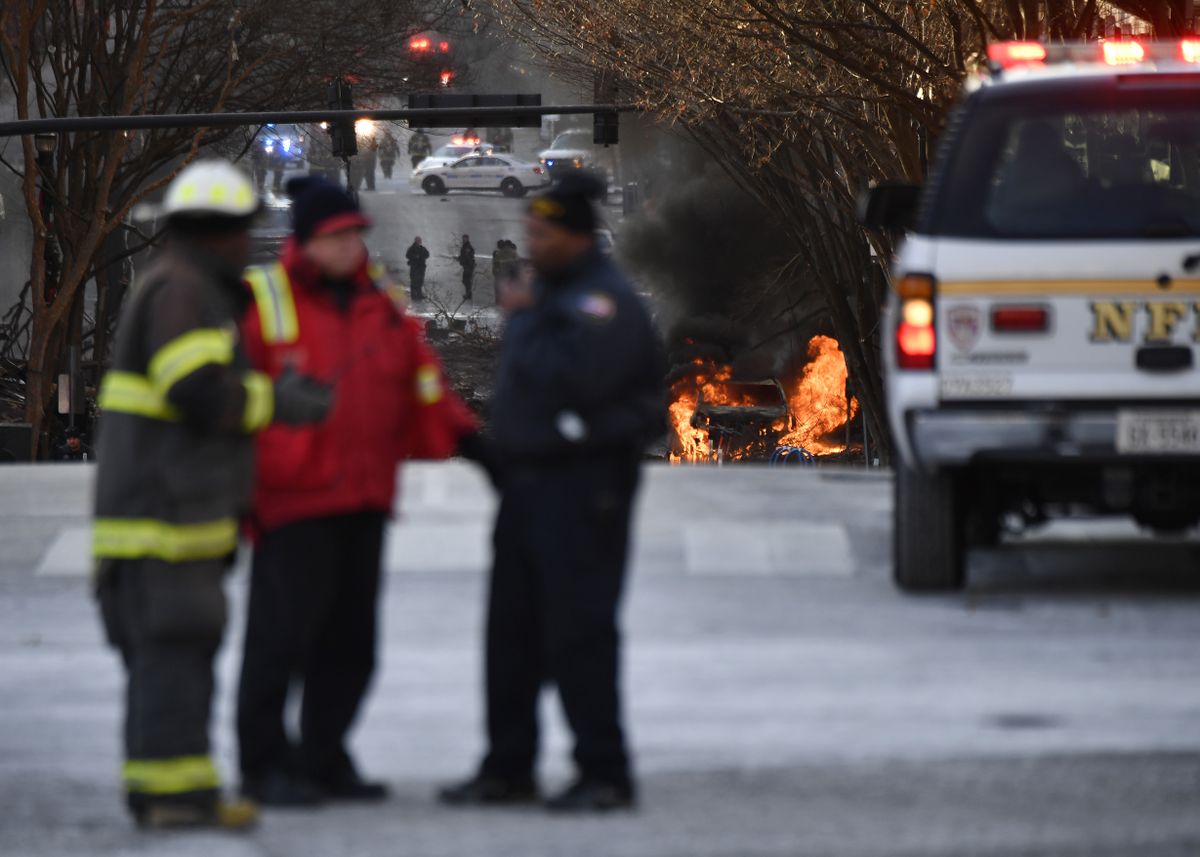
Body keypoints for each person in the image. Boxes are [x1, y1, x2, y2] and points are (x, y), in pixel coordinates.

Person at [92, 160, 332, 831]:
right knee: (174, 656)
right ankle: (174, 798)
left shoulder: (181, 282)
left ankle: (177, 790)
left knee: (176, 659)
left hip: (167, 519)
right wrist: (278, 401)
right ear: (220, 231)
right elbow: (195, 392)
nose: (246, 244)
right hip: (163, 522)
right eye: (241, 231)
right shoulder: (184, 290)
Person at [237, 176, 479, 807]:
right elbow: (224, 396)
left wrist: (475, 444)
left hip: (365, 499)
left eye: (356, 236)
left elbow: (423, 385)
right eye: (338, 237)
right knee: (281, 641)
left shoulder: (382, 306)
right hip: (291, 500)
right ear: (309, 241)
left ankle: (324, 756)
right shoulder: (262, 301)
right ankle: (263, 764)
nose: (353, 248)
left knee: (351, 645)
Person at [439, 173, 666, 813]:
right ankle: (506, 766)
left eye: (542, 233)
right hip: (529, 489)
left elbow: (571, 381)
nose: (531, 243)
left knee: (579, 634)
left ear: (574, 235)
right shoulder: (552, 296)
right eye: (529, 231)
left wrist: (525, 321)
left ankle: (604, 771)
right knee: (510, 636)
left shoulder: (601, 303)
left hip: (581, 490)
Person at [406, 236, 430, 302]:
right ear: (415, 241)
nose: (419, 242)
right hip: (414, 267)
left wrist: (421, 256)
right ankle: (413, 296)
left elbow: (427, 255)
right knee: (414, 281)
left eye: (420, 241)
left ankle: (419, 295)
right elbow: (407, 255)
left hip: (421, 268)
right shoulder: (411, 248)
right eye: (418, 240)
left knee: (420, 281)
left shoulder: (422, 248)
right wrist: (415, 256)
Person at [458, 235, 476, 301]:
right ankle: (468, 294)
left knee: (466, 280)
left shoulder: (467, 246)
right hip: (467, 266)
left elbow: (468, 256)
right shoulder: (465, 246)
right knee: (466, 280)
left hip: (468, 266)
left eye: (465, 239)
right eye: (463, 239)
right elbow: (464, 255)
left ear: (467, 239)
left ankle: (468, 294)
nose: (463, 240)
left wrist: (463, 260)